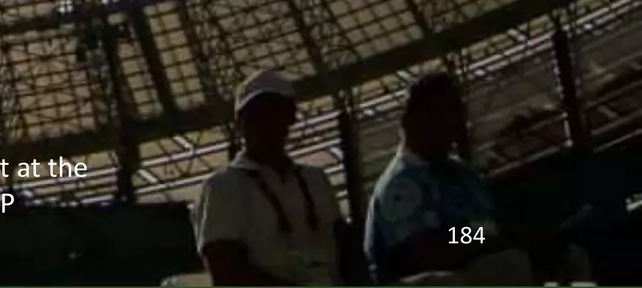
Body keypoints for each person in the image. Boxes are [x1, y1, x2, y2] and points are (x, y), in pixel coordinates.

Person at [365, 72, 591, 286]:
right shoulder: (401, 185)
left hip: (477, 266)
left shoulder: (462, 173)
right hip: (433, 279)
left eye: (454, 112)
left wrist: (525, 236)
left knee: (571, 257)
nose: (448, 122)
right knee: (509, 265)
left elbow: (490, 224)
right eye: (435, 113)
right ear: (409, 121)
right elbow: (428, 249)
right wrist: (484, 238)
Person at [192, 69, 345, 285]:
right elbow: (226, 272)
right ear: (239, 125)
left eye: (273, 111)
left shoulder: (315, 179)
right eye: (255, 115)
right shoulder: (222, 187)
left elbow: (345, 247)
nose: (265, 123)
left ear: (290, 117)